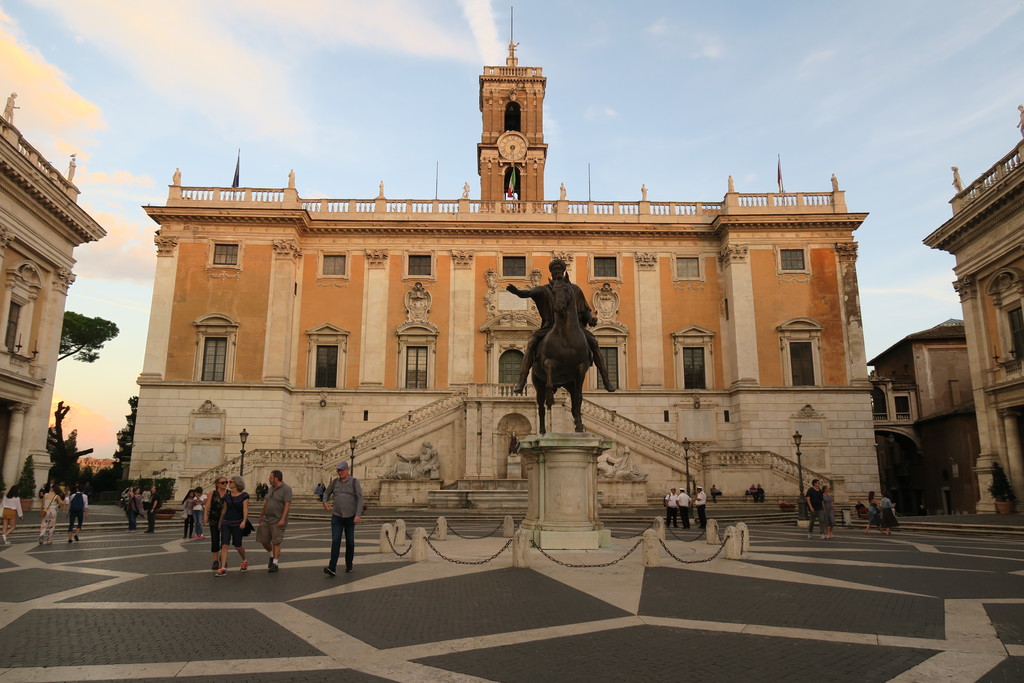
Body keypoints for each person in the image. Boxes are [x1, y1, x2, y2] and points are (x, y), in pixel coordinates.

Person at [505, 258, 615, 393]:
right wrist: (517, 292)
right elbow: (528, 293)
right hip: (550, 327)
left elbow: (584, 308)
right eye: (554, 270)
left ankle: (606, 379)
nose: (557, 272)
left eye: (559, 269)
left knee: (593, 342)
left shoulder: (575, 289)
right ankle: (522, 381)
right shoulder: (545, 290)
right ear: (551, 273)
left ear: (563, 271)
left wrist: (590, 319)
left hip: (575, 328)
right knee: (531, 342)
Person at [322, 461, 363, 576]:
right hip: (337, 516)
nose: (339, 473)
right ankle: (332, 567)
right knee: (335, 541)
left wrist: (358, 514)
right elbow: (326, 493)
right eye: (338, 471)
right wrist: (325, 502)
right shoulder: (335, 482)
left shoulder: (354, 482)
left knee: (350, 541)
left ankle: (349, 564)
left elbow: (360, 498)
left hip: (350, 517)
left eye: (341, 470)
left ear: (347, 470)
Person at [257, 470, 293, 573]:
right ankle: (272, 555)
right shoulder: (271, 488)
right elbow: (267, 502)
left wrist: (282, 519)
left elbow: (287, 505)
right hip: (267, 518)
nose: (269, 479)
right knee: (263, 540)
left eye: (270, 477)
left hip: (278, 520)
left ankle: (275, 563)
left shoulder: (286, 489)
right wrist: (261, 514)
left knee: (276, 542)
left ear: (276, 478)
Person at [215, 475, 249, 576]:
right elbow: (224, 510)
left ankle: (244, 560)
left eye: (231, 482)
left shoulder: (244, 495)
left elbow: (245, 509)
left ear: (237, 484)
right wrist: (220, 521)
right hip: (226, 522)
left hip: (238, 522)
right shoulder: (227, 496)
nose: (228, 483)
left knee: (238, 546)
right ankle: (223, 567)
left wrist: (244, 521)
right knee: (224, 545)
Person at [204, 477, 228, 569]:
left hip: (226, 520)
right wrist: (205, 516)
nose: (225, 484)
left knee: (225, 541)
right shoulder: (212, 494)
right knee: (215, 540)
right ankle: (215, 560)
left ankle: (223, 559)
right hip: (214, 519)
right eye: (222, 482)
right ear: (217, 484)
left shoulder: (229, 493)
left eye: (226, 482)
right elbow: (207, 506)